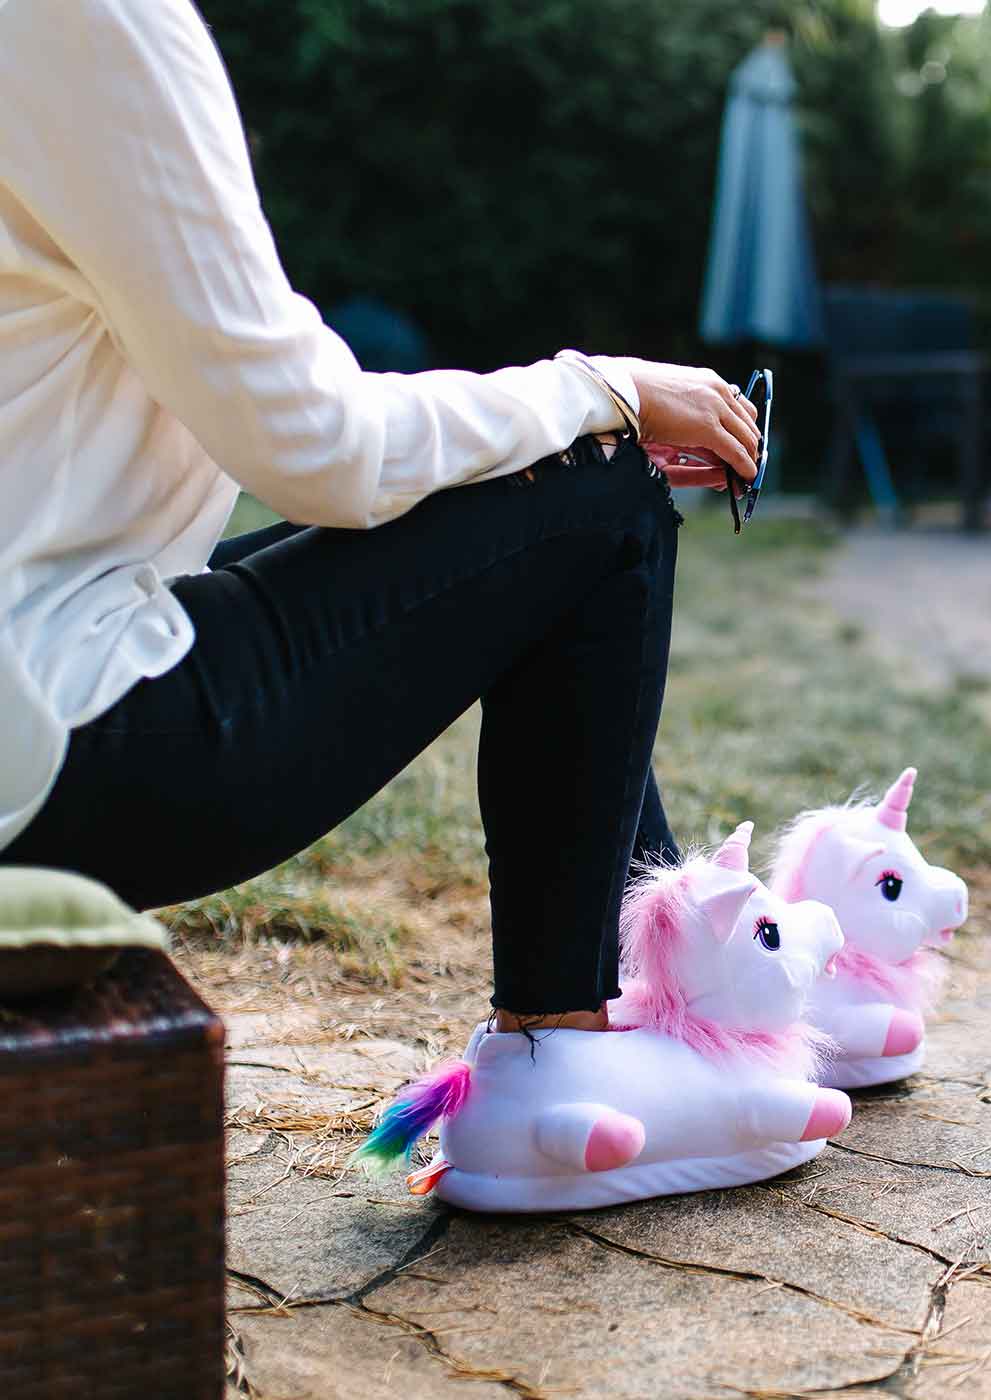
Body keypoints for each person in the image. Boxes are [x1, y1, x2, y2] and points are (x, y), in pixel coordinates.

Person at [0, 0, 760, 1039]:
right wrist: (603, 386)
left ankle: (679, 968)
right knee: (599, 493)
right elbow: (316, 444)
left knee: (537, 511)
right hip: (43, 760)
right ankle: (564, 1058)